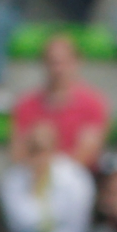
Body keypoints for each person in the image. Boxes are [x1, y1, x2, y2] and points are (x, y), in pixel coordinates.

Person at [10, 34, 109, 169]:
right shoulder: (25, 104)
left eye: (64, 62)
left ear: (76, 62)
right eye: (53, 62)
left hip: (77, 177)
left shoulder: (93, 103)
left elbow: (87, 154)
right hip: (35, 175)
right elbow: (18, 153)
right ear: (43, 63)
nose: (58, 69)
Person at [0, 119, 96, 232]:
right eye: (34, 149)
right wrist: (34, 185)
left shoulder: (76, 177)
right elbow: (19, 224)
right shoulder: (13, 179)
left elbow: (77, 224)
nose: (39, 156)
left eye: (43, 149)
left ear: (54, 147)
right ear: (26, 148)